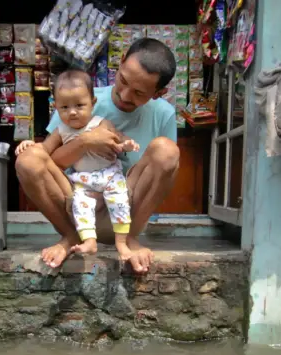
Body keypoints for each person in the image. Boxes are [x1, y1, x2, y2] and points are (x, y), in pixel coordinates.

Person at [15, 37, 180, 273]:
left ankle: (130, 239)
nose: (124, 95)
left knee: (167, 150)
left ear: (158, 93)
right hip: (78, 201)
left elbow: (164, 173)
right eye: (122, 81)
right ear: (120, 61)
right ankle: (70, 237)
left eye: (138, 93)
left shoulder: (164, 114)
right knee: (29, 158)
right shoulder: (79, 99)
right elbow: (49, 162)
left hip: (126, 205)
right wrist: (85, 142)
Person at [15, 69, 141, 261]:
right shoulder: (61, 131)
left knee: (119, 201)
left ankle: (122, 243)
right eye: (64, 107)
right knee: (81, 205)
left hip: (109, 175)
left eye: (79, 105)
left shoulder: (102, 124)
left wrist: (127, 144)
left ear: (93, 102)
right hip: (82, 180)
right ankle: (88, 241)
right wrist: (29, 144)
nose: (72, 112)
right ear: (55, 106)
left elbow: (119, 140)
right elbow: (44, 150)